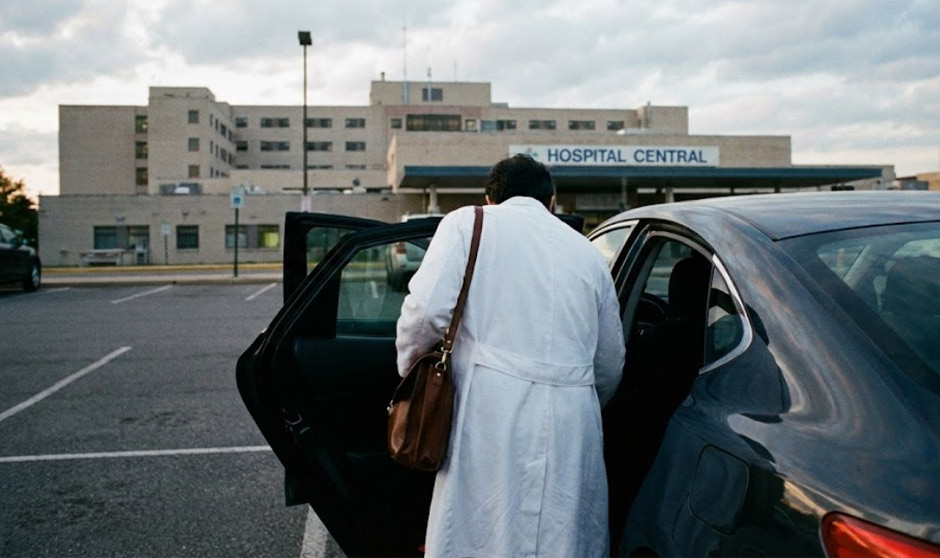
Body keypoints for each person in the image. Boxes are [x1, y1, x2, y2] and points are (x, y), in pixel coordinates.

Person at [395, 154, 626, 557]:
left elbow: (426, 313)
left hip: (488, 408)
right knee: (561, 536)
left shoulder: (467, 224)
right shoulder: (588, 252)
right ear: (550, 201)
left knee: (482, 531)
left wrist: (410, 370)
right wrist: (581, 397)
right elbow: (610, 360)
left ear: (490, 198)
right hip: (573, 419)